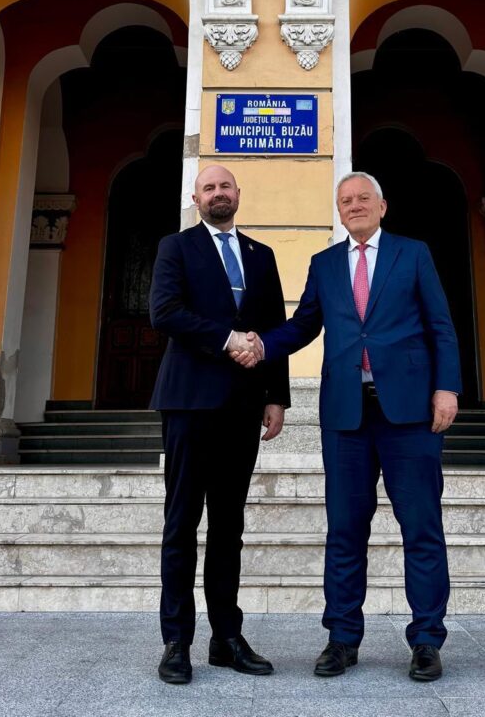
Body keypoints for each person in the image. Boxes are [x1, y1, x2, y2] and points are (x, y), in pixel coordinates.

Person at [231, 171, 460, 683]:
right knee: (345, 530)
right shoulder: (325, 263)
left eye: (362, 198)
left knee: (421, 527)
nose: (354, 206)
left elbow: (441, 326)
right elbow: (304, 325)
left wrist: (447, 388)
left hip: (409, 414)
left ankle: (426, 639)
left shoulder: (413, 254)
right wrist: (262, 345)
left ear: (382, 206)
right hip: (345, 416)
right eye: (345, 201)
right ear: (339, 211)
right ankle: (341, 638)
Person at [149, 164, 290, 685]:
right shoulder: (176, 247)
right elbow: (164, 312)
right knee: (182, 523)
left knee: (229, 527)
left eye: (225, 186)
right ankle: (176, 642)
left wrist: (277, 397)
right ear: (196, 198)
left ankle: (227, 638)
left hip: (243, 406)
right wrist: (228, 339)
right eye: (208, 188)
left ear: (238, 194)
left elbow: (273, 327)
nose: (217, 193)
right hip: (189, 403)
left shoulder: (261, 255)